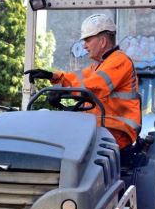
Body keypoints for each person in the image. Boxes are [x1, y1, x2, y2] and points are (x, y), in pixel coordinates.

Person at [24, 14, 141, 149]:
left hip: (117, 131)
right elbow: (74, 80)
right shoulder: (98, 66)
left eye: (88, 40)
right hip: (100, 128)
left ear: (102, 41)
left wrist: (62, 93)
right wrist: (52, 76)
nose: (84, 46)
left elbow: (94, 87)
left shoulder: (120, 61)